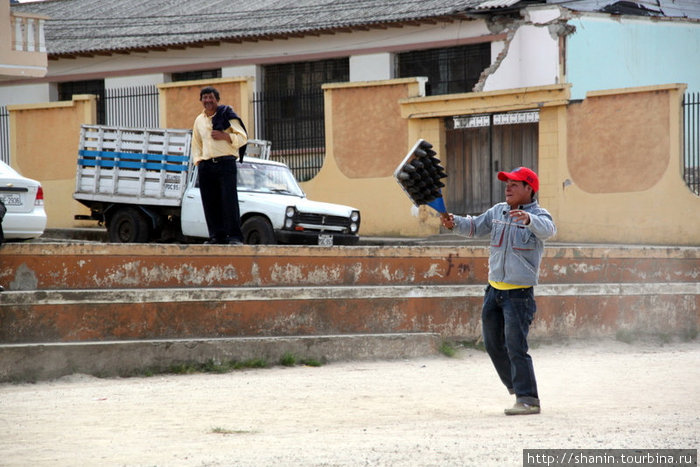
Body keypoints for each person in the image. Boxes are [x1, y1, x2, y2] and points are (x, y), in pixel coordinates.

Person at [441, 167, 556, 415]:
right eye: (507, 183)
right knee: (493, 344)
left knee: (516, 346)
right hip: (493, 291)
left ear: (529, 188)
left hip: (519, 295)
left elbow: (548, 230)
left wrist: (529, 220)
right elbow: (473, 227)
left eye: (515, 184)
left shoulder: (539, 215)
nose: (508, 188)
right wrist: (454, 222)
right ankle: (517, 388)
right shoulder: (497, 211)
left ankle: (528, 399)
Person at [191, 86, 248, 244]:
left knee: (228, 201)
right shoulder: (199, 120)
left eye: (211, 97)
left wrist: (225, 136)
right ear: (201, 100)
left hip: (225, 163)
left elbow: (243, 137)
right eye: (205, 98)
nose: (208, 101)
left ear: (217, 99)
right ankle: (217, 236)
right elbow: (196, 143)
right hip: (207, 166)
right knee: (210, 202)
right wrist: (199, 161)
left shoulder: (227, 115)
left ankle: (235, 237)